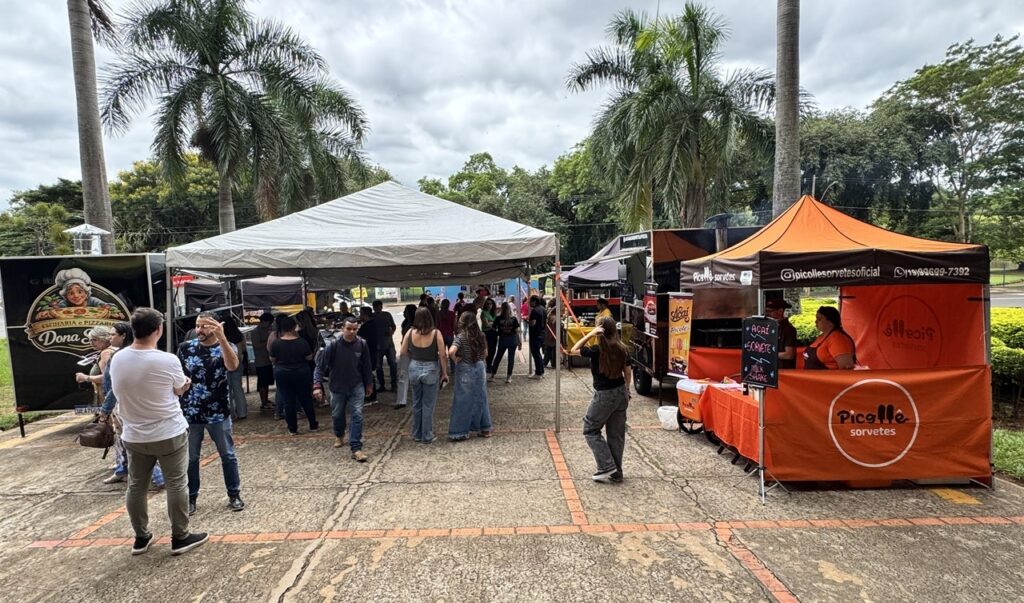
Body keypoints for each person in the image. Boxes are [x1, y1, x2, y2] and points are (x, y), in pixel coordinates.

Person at [109, 307, 208, 556]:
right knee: (177, 484)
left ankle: (141, 537)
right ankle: (180, 536)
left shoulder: (118, 358)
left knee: (136, 485)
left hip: (133, 434)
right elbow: (178, 388)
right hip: (168, 431)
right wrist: (183, 386)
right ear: (158, 330)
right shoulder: (167, 360)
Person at [176, 312, 244, 516]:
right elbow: (177, 373)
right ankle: (191, 498)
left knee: (228, 455)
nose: (200, 330)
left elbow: (232, 366)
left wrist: (222, 337)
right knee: (191, 458)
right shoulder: (185, 348)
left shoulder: (226, 346)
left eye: (205, 326)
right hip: (191, 410)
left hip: (218, 411)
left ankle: (234, 494)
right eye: (198, 326)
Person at [97, 324, 166, 488]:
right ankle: (122, 469)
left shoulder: (121, 357)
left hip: (125, 404)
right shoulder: (133, 354)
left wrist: (105, 410)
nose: (110, 338)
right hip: (128, 403)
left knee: (137, 439)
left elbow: (116, 386)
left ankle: (157, 475)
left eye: (113, 334)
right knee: (121, 440)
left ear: (123, 336)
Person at [570, 316, 632, 484]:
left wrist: (590, 334)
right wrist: (627, 390)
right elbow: (627, 372)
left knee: (590, 429)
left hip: (604, 395)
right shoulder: (622, 348)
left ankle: (606, 465)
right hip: (620, 393)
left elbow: (573, 350)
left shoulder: (597, 350)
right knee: (616, 435)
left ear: (600, 331)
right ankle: (617, 471)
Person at [313, 316, 374, 462]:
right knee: (337, 415)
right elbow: (320, 367)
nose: (352, 332)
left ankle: (356, 448)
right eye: (348, 329)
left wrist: (369, 384)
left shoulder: (362, 344)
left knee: (357, 415)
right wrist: (316, 385)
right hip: (337, 387)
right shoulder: (332, 346)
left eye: (354, 329)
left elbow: (367, 366)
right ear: (342, 329)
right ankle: (339, 434)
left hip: (356, 385)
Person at [399, 307, 449, 443]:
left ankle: (416, 433)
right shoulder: (436, 333)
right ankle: (427, 435)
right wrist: (444, 373)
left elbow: (403, 352)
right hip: (431, 368)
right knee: (428, 404)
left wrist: (414, 356)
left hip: (414, 367)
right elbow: (443, 355)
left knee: (416, 403)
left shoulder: (410, 332)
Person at [270, 314, 318, 436]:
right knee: (306, 398)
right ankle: (313, 424)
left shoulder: (276, 343)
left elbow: (272, 359)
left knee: (288, 400)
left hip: (282, 373)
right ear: (293, 327)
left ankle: (292, 428)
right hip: (301, 371)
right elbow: (309, 357)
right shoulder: (302, 342)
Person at [448, 312, 492, 440]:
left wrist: (455, 359)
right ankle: (485, 428)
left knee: (462, 399)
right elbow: (486, 354)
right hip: (479, 367)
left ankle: (459, 432)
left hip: (465, 367)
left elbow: (451, 351)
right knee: (481, 397)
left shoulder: (460, 337)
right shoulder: (481, 336)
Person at [75, 325, 113, 408]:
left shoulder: (106, 353)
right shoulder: (111, 350)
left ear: (105, 339)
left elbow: (108, 378)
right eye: (90, 340)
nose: (91, 343)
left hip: (107, 400)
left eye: (95, 340)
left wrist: (85, 377)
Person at [221, 313, 247, 420]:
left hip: (224, 364)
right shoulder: (239, 335)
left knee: (227, 390)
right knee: (238, 388)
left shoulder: (221, 336)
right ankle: (242, 412)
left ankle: (230, 413)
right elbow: (244, 349)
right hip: (237, 363)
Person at [489, 302, 522, 384]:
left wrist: (498, 332)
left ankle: (492, 375)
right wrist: (519, 342)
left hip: (503, 339)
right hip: (512, 340)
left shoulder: (498, 318)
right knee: (511, 359)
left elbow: (493, 328)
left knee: (498, 358)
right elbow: (516, 331)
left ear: (501, 308)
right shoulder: (513, 319)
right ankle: (509, 377)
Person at [393, 305, 418, 409]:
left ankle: (406, 399)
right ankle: (401, 400)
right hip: (406, 352)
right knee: (403, 375)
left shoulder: (415, 325)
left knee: (414, 376)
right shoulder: (405, 323)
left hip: (412, 352)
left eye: (405, 310)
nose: (403, 312)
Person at [251, 312, 275, 411]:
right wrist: (269, 339)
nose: (270, 325)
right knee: (262, 383)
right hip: (261, 361)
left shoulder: (268, 330)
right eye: (269, 323)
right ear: (264, 322)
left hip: (268, 360)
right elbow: (257, 345)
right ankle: (263, 402)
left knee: (267, 382)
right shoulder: (256, 332)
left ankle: (266, 400)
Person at [373, 300, 398, 392]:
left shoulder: (387, 315)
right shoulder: (373, 317)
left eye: (379, 306)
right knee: (379, 366)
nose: (379, 308)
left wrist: (391, 332)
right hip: (379, 345)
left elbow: (393, 326)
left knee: (392, 364)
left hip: (388, 344)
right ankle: (382, 385)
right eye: (377, 307)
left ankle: (393, 384)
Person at [765, 299, 798, 370]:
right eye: (766, 311)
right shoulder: (770, 327)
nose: (767, 314)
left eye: (770, 311)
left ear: (780, 311)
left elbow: (789, 355)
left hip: (783, 370)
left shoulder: (789, 329)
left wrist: (768, 354)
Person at [357, 306, 379, 403]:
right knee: (369, 373)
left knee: (367, 373)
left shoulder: (367, 327)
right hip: (372, 352)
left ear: (365, 315)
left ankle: (370, 395)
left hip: (368, 353)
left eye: (361, 314)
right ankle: (371, 395)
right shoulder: (373, 324)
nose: (360, 316)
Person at [527, 296, 546, 380]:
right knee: (538, 353)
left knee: (536, 353)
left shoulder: (534, 311)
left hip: (535, 334)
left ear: (534, 301)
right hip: (542, 333)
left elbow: (533, 323)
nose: (529, 303)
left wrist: (527, 321)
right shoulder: (542, 308)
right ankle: (541, 371)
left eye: (530, 301)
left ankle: (538, 372)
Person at [437, 299, 457, 371]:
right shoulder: (452, 313)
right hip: (449, 335)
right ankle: (453, 369)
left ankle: (443, 369)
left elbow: (437, 325)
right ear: (448, 305)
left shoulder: (438, 313)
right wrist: (455, 332)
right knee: (451, 353)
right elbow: (454, 325)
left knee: (442, 354)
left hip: (440, 335)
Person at [480, 298, 498, 372]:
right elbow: (486, 324)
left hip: (494, 333)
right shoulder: (483, 312)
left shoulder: (493, 313)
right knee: (489, 349)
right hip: (487, 333)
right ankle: (488, 365)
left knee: (493, 349)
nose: (489, 305)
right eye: (487, 304)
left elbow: (496, 323)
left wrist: (491, 323)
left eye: (490, 303)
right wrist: (492, 324)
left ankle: (490, 364)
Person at [544, 298, 558, 368]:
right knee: (552, 349)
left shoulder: (549, 311)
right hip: (552, 333)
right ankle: (553, 363)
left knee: (549, 349)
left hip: (549, 333)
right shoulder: (553, 314)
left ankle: (547, 363)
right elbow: (553, 322)